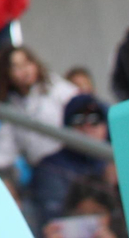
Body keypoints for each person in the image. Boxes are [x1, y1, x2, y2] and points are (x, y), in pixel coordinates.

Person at [0, 45, 81, 177]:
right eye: (17, 67)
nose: (25, 70)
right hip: (45, 170)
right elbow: (3, 150)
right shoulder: (10, 109)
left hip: (73, 158)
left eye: (27, 63)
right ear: (6, 73)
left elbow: (82, 105)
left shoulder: (55, 87)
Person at [32, 95, 118, 225]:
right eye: (78, 119)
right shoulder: (51, 166)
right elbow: (52, 218)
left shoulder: (118, 164)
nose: (87, 126)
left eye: (95, 119)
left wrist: (118, 187)